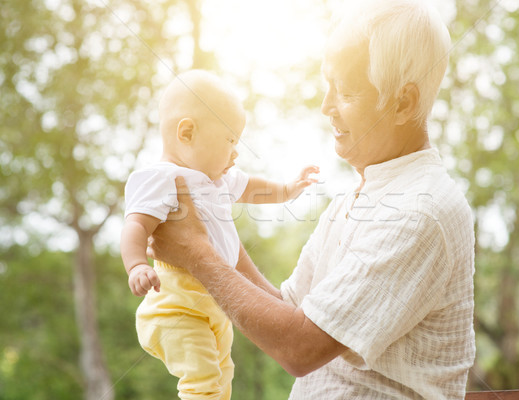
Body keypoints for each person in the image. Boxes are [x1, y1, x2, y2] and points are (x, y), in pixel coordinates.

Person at [148, 1, 476, 398]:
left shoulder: (421, 211)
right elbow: (288, 313)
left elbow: (299, 346)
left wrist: (198, 255)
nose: (326, 107)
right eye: (328, 86)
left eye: (346, 93)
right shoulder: (358, 198)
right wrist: (212, 228)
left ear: (402, 102)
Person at [120, 69, 319, 400]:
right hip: (176, 306)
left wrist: (287, 189)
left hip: (214, 304)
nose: (236, 153)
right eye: (230, 140)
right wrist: (137, 265)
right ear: (187, 132)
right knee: (203, 381)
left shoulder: (217, 179)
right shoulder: (160, 178)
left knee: (223, 376)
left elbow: (253, 187)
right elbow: (136, 225)